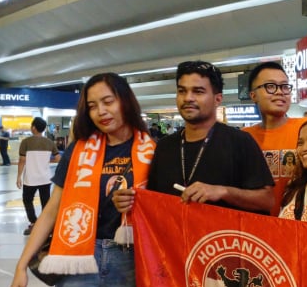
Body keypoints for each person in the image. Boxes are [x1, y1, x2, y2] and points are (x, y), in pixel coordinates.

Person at [9, 73, 156, 287]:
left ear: (124, 100)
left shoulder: (153, 151)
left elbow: (166, 210)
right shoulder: (79, 150)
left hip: (127, 261)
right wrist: (21, 266)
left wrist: (141, 204)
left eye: (108, 101)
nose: (101, 111)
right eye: (92, 105)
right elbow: (53, 209)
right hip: (76, 257)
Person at [113, 60, 274, 214]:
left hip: (221, 241)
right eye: (182, 91)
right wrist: (131, 201)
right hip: (173, 240)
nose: (188, 98)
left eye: (198, 91)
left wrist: (223, 191)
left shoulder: (240, 142)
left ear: (218, 99)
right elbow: (154, 200)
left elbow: (267, 200)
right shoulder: (164, 147)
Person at [243, 61, 307, 216]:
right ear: (253, 95)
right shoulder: (243, 137)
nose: (280, 92)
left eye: (284, 86)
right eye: (270, 86)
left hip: (304, 222)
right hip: (256, 228)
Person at [17, 117, 61, 236]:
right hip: (45, 178)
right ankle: (46, 226)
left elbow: (22, 160)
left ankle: (33, 223)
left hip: (30, 179)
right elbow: (58, 159)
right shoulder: (49, 142)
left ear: (34, 127)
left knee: (27, 200)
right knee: (45, 202)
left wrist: (18, 177)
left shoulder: (26, 142)